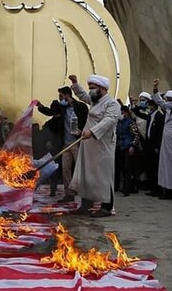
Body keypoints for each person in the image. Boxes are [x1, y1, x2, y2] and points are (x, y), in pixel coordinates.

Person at [68, 74, 121, 217]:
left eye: (93, 88)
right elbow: (83, 96)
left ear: (102, 88)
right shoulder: (95, 101)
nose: (90, 91)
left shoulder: (112, 104)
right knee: (87, 174)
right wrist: (75, 83)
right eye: (90, 88)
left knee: (103, 175)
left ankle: (106, 207)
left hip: (103, 144)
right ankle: (86, 205)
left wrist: (92, 132)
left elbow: (109, 121)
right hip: (88, 143)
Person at [37, 86, 88, 203]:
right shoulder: (62, 108)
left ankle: (85, 195)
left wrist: (83, 132)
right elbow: (50, 112)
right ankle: (69, 194)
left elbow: (87, 121)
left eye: (61, 96)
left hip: (77, 142)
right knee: (65, 169)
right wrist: (39, 106)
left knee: (81, 169)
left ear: (67, 95)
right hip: (66, 144)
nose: (60, 99)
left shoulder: (80, 107)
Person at [131, 92, 165, 196]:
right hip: (148, 144)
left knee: (155, 168)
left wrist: (156, 146)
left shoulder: (159, 116)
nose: (149, 107)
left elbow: (159, 133)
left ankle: (157, 189)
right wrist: (133, 104)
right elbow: (138, 113)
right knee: (150, 166)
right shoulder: (150, 116)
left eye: (150, 105)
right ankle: (152, 188)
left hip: (154, 146)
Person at [115, 105, 139, 196]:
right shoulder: (119, 123)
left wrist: (132, 145)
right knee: (122, 167)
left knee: (127, 167)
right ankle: (124, 186)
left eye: (122, 112)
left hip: (128, 146)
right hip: (120, 146)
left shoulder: (130, 123)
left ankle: (127, 188)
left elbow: (136, 135)